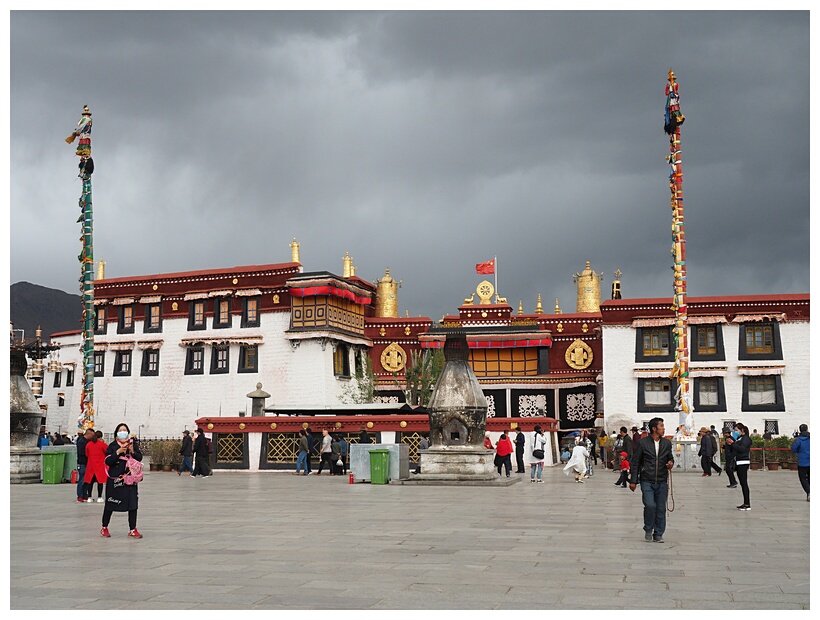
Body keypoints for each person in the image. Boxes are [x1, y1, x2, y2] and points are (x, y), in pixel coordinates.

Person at [630, 417, 674, 543]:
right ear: (654, 428)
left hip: (661, 480)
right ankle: (648, 528)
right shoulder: (642, 443)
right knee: (650, 505)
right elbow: (636, 462)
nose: (663, 429)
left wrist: (670, 463)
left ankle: (658, 533)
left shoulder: (666, 443)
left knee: (660, 508)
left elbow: (670, 458)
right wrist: (633, 480)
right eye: (661, 426)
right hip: (647, 480)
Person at [100, 422, 143, 538]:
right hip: (116, 479)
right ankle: (104, 527)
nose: (123, 432)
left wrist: (132, 451)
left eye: (125, 430)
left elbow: (139, 457)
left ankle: (133, 529)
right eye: (121, 430)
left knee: (132, 504)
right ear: (117, 433)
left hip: (130, 478)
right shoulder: (112, 446)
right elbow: (108, 461)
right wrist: (118, 452)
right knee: (111, 503)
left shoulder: (132, 444)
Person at [83, 430, 108, 502]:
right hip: (99, 465)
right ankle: (99, 497)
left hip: (90, 465)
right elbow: (108, 451)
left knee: (90, 482)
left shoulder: (88, 444)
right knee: (100, 482)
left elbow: (86, 454)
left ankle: (89, 497)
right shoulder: (102, 444)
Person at [733, 423, 753, 511]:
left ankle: (747, 503)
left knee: (744, 483)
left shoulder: (746, 439)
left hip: (743, 462)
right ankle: (745, 502)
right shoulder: (740, 438)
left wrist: (733, 444)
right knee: (742, 483)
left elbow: (742, 449)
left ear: (742, 430)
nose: (735, 432)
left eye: (736, 430)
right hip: (739, 461)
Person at [791, 424, 810, 502]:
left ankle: (809, 492)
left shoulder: (798, 440)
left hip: (802, 462)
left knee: (803, 478)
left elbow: (793, 449)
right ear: (807, 429)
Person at [76, 428, 93, 502]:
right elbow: (81, 452)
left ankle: (85, 494)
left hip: (88, 463)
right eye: (92, 435)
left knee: (87, 480)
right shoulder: (81, 441)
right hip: (83, 463)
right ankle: (80, 495)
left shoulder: (89, 441)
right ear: (88, 434)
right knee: (82, 480)